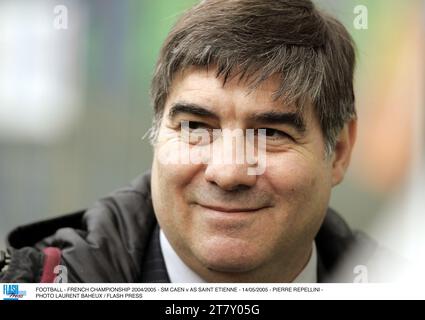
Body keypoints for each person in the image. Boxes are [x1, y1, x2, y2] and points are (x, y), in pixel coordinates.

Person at [0, 0, 389, 283]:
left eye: (270, 134)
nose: (228, 172)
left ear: (338, 151)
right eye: (196, 128)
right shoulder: (32, 286)